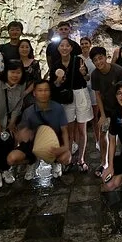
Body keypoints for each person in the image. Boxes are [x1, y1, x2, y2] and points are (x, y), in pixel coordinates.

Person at [7, 80, 71, 179]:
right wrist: (22, 134)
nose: (43, 93)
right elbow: (21, 134)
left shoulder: (58, 108)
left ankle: (56, 163)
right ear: (34, 93)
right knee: (11, 159)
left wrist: (65, 147)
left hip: (54, 142)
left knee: (66, 158)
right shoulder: (28, 112)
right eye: (40, 90)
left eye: (46, 90)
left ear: (50, 92)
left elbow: (64, 130)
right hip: (34, 144)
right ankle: (32, 162)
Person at [49, 38, 93, 171]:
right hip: (66, 98)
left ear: (71, 48)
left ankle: (81, 159)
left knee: (82, 129)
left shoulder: (78, 60)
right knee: (68, 131)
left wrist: (84, 73)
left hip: (80, 94)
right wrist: (58, 81)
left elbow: (87, 78)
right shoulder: (56, 64)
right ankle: (68, 159)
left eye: (67, 45)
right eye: (61, 45)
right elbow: (54, 85)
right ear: (58, 48)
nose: (64, 48)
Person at [0, 60, 26, 187]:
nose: (15, 75)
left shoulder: (21, 84)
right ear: (6, 72)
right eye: (12, 72)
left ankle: (5, 169)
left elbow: (19, 104)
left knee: (8, 144)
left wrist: (12, 122)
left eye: (18, 72)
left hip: (9, 120)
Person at [89, 46, 122, 177]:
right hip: (106, 108)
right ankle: (103, 162)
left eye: (100, 58)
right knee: (103, 134)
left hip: (120, 107)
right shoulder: (95, 74)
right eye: (95, 60)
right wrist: (103, 115)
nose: (98, 62)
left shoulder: (118, 71)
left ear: (106, 57)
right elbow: (98, 95)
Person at [79, 37, 100, 150]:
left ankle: (98, 140)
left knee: (95, 117)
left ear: (90, 44)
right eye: (82, 44)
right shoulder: (78, 58)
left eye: (86, 43)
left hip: (93, 89)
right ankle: (81, 142)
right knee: (82, 119)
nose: (84, 46)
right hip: (82, 90)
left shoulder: (94, 58)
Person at [19, 39, 41, 108]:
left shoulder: (35, 63)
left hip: (31, 93)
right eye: (22, 47)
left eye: (27, 47)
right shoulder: (14, 63)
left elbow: (37, 80)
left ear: (30, 49)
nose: (24, 49)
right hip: (15, 92)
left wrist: (25, 92)